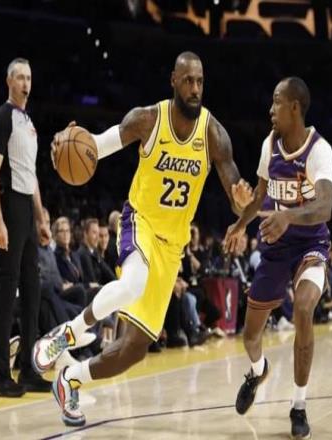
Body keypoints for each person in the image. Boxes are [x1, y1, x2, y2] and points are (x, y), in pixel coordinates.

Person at [32, 51, 252, 427]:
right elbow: (96, 146)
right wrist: (66, 143)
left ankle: (69, 380)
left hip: (172, 245)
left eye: (200, 81)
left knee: (133, 350)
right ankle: (66, 334)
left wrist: (242, 203)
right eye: (188, 80)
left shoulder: (214, 134)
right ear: (173, 80)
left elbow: (234, 191)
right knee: (133, 283)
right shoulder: (148, 119)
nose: (195, 88)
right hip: (141, 222)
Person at [224, 77, 332, 439]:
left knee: (303, 309)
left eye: (277, 102)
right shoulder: (269, 144)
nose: (270, 109)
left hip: (310, 244)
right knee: (249, 336)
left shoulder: (319, 150)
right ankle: (258, 371)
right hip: (275, 246)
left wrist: (288, 216)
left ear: (295, 108)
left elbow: (325, 206)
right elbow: (259, 195)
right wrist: (240, 224)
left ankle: (299, 406)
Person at [0, 57, 51, 397]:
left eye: (29, 77)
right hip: (10, 205)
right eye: (20, 77)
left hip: (27, 206)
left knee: (32, 290)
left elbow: (32, 173)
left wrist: (40, 217)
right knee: (7, 288)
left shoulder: (28, 122)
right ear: (9, 81)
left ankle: (27, 369)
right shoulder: (4, 117)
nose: (26, 83)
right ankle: (0, 377)